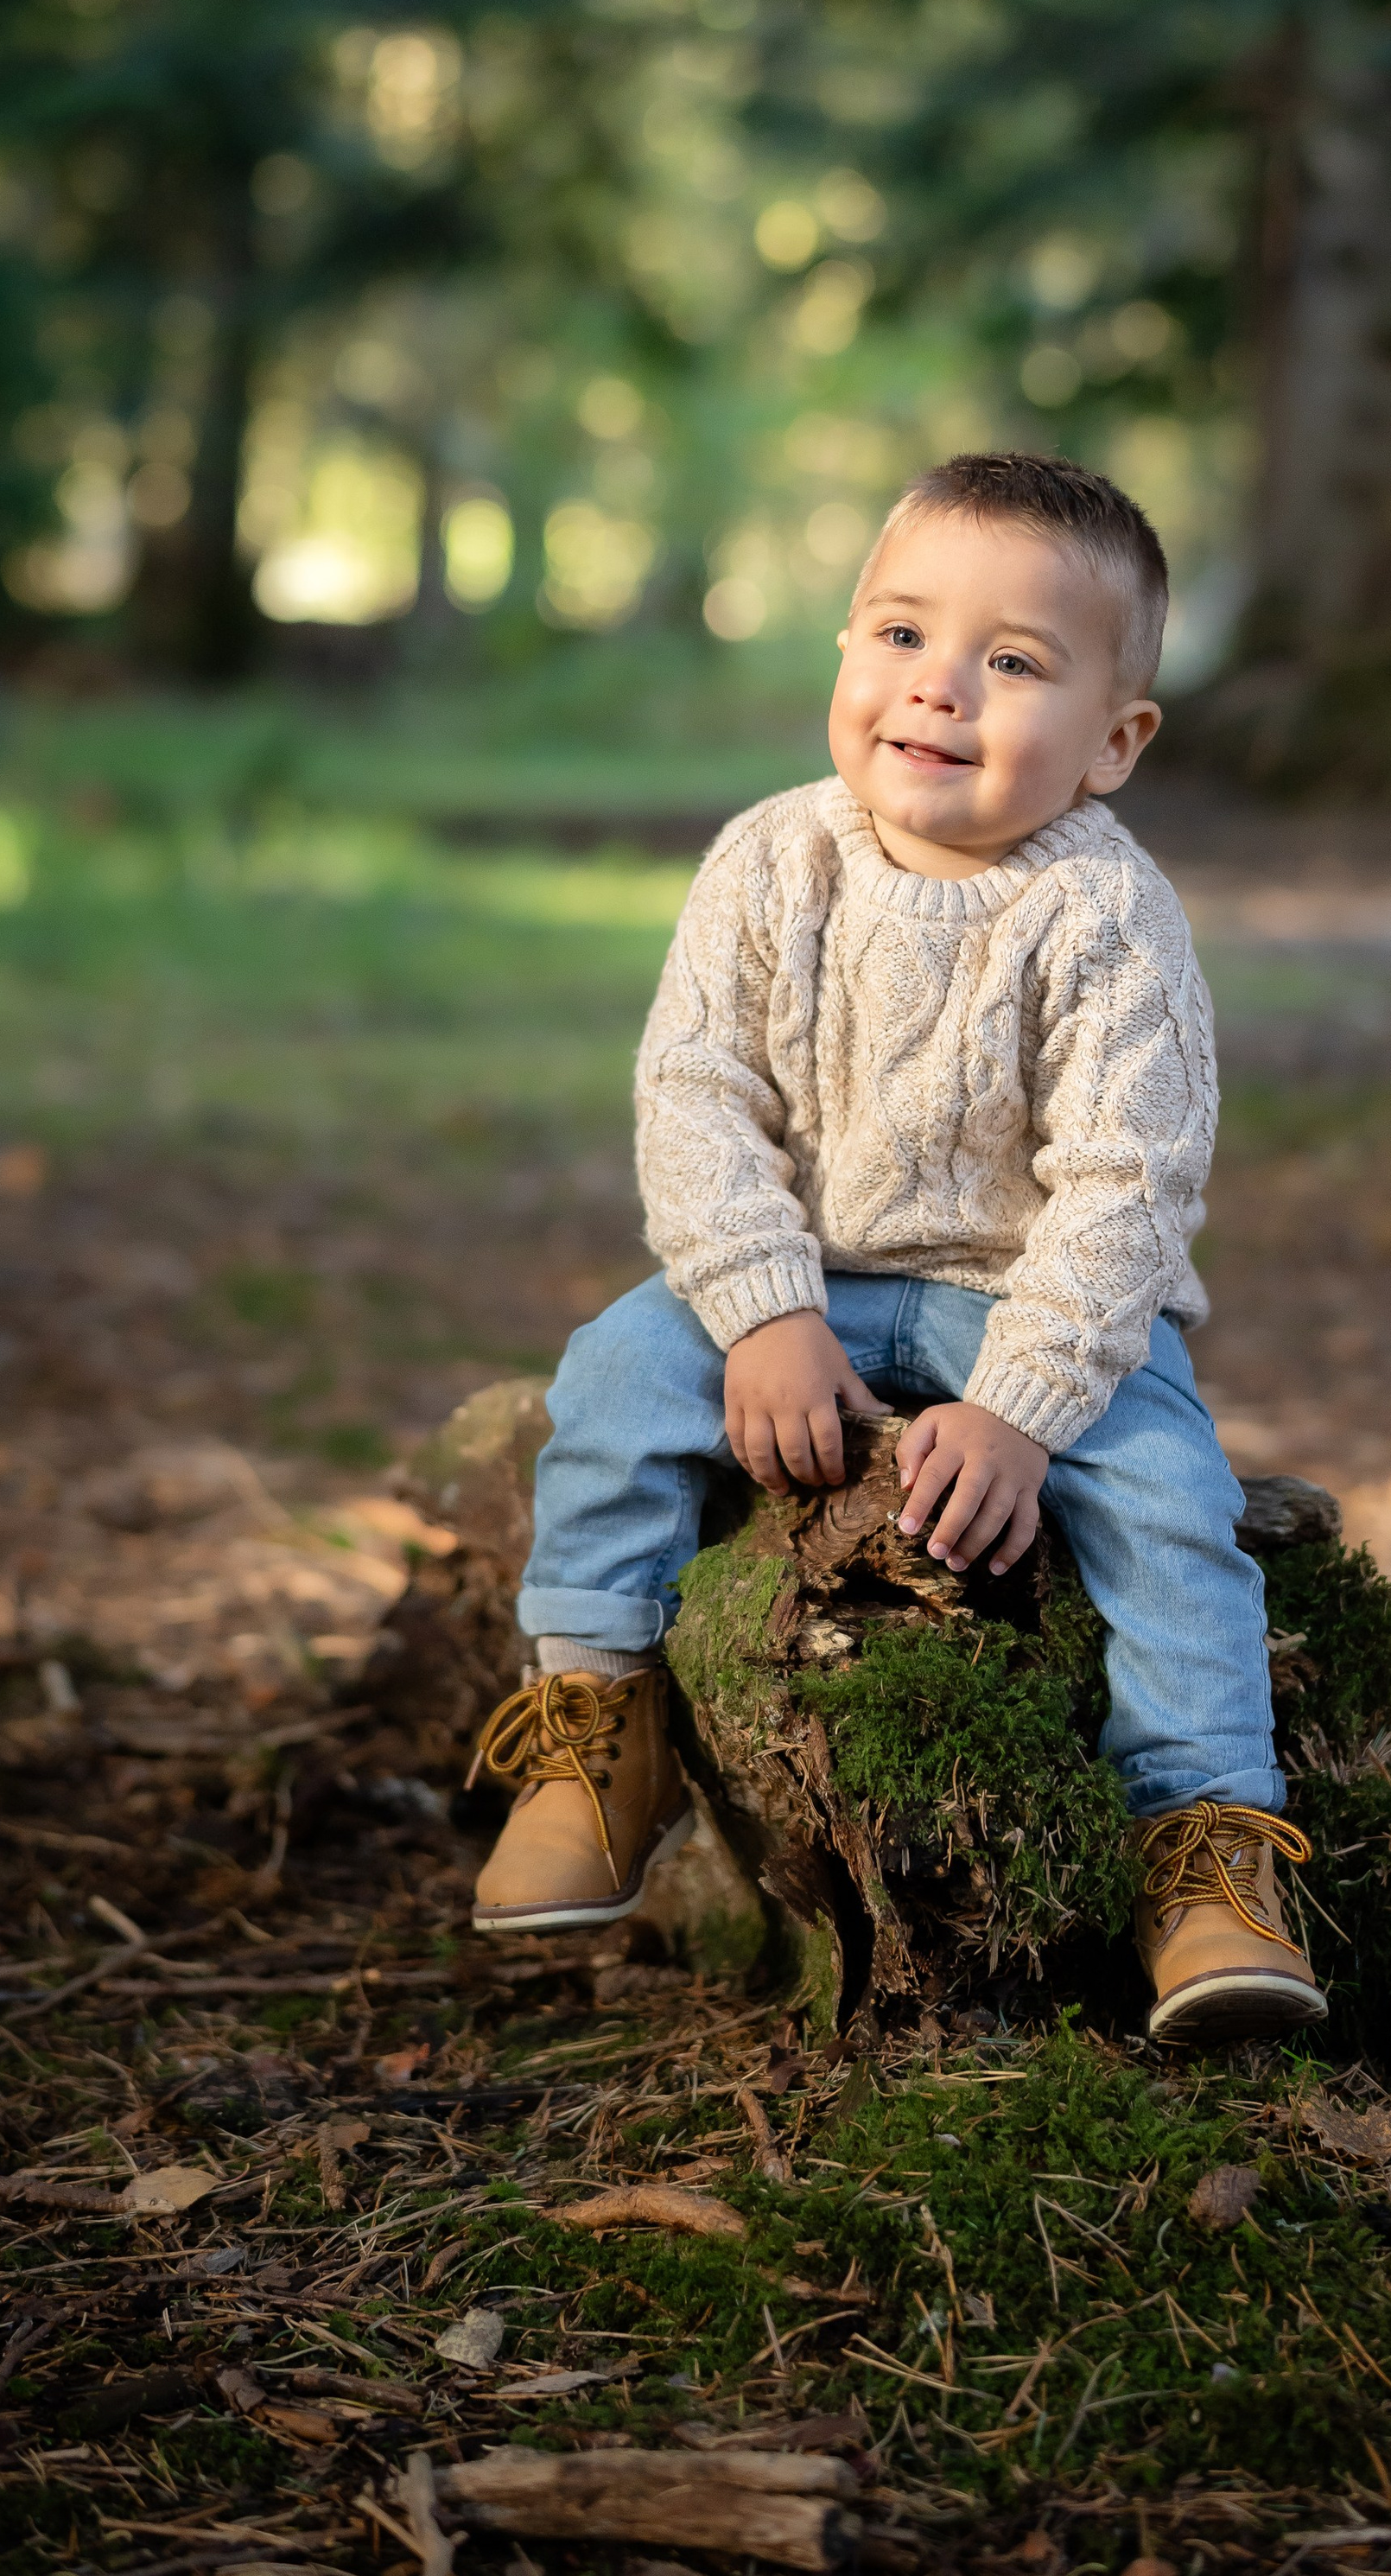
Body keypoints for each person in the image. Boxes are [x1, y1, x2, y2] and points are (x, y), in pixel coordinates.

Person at [462, 450, 1324, 2042]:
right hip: (800, 1279)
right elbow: (699, 1102)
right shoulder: (770, 860)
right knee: (611, 1377)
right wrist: (763, 1314)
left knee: (1172, 1505)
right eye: (900, 634)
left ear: (1115, 741)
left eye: (1013, 662)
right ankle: (599, 1715)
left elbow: (1128, 1189)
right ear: (846, 652)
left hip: (1031, 1306)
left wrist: (1026, 1410)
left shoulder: (1110, 918)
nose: (939, 690)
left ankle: (1201, 1849)